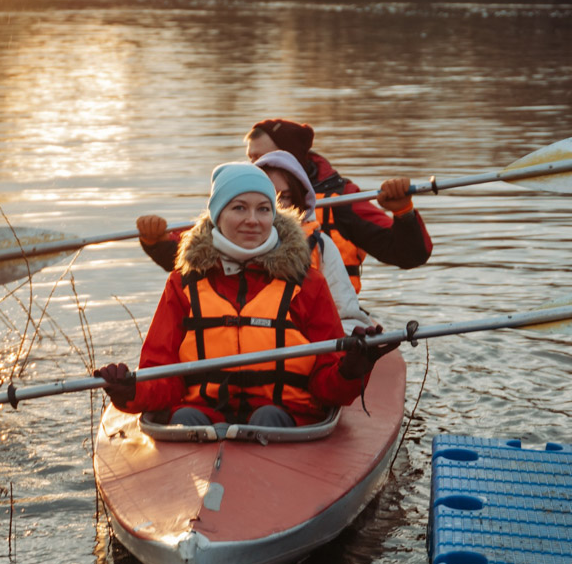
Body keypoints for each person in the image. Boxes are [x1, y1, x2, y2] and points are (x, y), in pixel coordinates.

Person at [96, 163, 398, 429]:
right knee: (185, 418)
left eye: (263, 209)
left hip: (285, 420)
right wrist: (129, 391)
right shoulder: (183, 283)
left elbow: (328, 387)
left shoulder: (307, 283)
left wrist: (352, 368)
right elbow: (162, 375)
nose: (253, 219)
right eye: (239, 208)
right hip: (200, 417)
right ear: (217, 216)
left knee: (268, 418)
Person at [244, 118, 432, 291]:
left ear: (288, 158)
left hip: (336, 313)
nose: (255, 167)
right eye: (251, 159)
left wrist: (403, 212)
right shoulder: (240, 203)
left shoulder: (342, 199)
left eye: (261, 158)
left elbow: (409, 255)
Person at [253, 148, 373, 334]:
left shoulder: (320, 245)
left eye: (284, 196)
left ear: (299, 201)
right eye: (267, 195)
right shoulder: (227, 245)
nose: (275, 206)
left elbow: (347, 316)